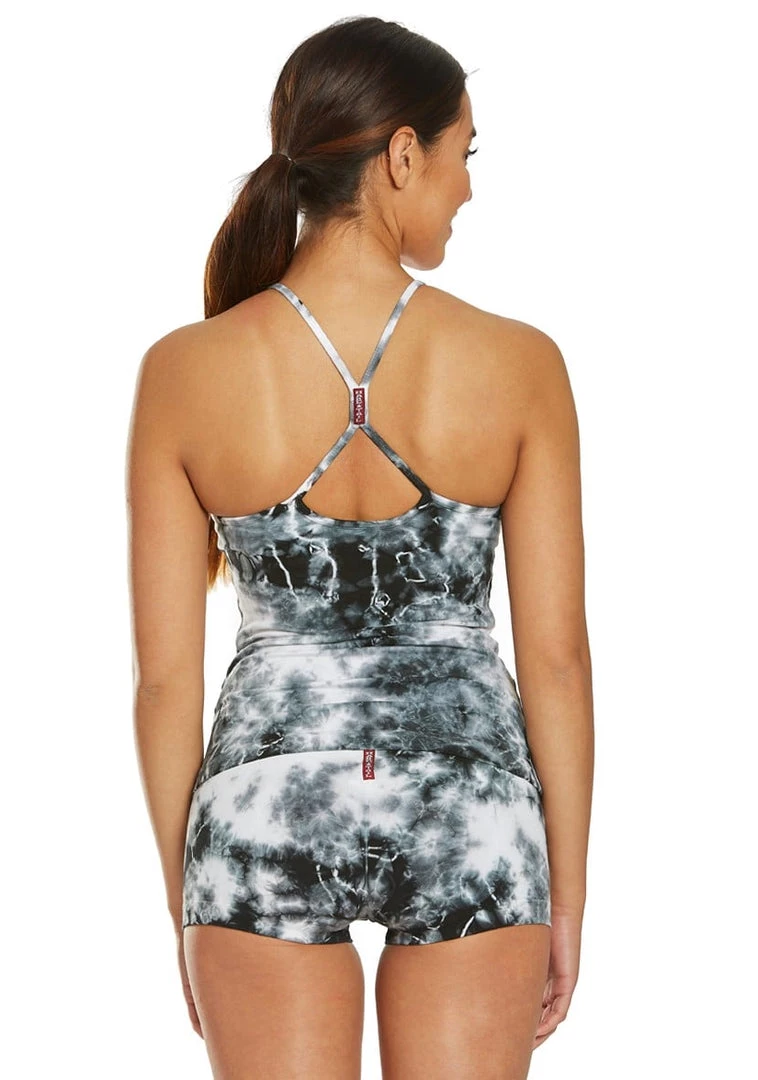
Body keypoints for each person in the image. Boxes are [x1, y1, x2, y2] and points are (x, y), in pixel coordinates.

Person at [126, 15, 593, 1079]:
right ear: (401, 154)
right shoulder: (519, 363)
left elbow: (161, 683)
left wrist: (192, 899)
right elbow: (557, 660)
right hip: (468, 803)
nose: (467, 188)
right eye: (464, 152)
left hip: (261, 804)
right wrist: (561, 896)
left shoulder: (184, 370)